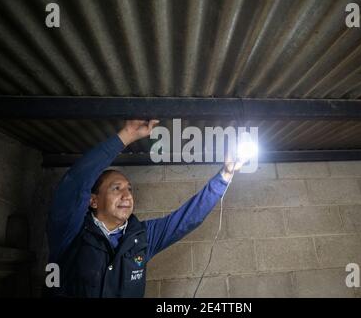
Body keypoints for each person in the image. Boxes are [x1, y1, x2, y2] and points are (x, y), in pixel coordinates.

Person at [46, 120, 241, 297]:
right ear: (93, 201)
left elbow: (187, 218)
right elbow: (76, 181)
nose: (127, 195)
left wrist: (224, 175)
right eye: (117, 188)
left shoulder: (142, 237)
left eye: (129, 189)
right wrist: (125, 137)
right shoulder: (70, 230)